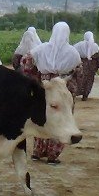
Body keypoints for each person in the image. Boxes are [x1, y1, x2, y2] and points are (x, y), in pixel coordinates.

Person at [22, 21, 81, 164]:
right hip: (64, 88)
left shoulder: (41, 49)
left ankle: (38, 151)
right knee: (62, 120)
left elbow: (25, 61)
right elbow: (79, 72)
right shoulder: (73, 52)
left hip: (46, 88)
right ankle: (52, 155)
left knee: (44, 117)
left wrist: (36, 78)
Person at [72, 31, 99, 100]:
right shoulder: (95, 46)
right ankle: (85, 95)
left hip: (81, 64)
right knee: (89, 80)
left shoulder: (79, 45)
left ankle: (75, 93)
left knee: (79, 79)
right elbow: (97, 56)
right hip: (92, 66)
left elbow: (73, 52)